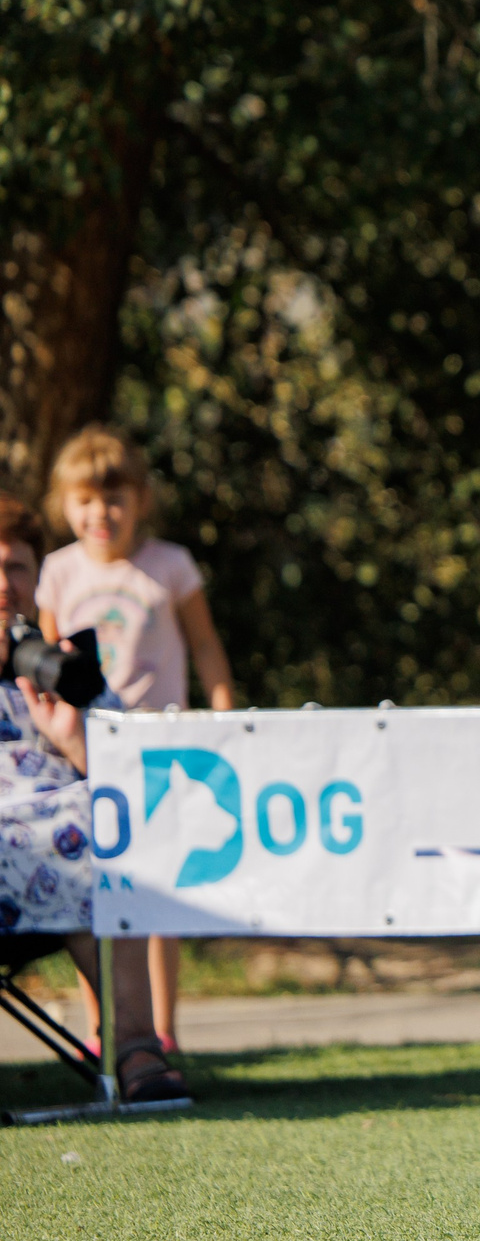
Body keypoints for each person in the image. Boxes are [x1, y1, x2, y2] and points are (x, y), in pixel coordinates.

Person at [36, 426, 236, 1058]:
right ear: (66, 505)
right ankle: (106, 1029)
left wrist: (225, 713)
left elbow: (205, 644)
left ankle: (160, 1030)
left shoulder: (170, 566)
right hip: (85, 751)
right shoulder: (57, 572)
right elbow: (40, 661)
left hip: (163, 752)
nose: (102, 513)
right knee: (100, 895)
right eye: (87, 500)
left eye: (115, 498)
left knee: (157, 896)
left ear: (141, 501)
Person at [0, 492, 185, 1101]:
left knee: (107, 825)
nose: (4, 585)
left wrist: (73, 738)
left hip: (76, 844)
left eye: (16, 567)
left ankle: (133, 1049)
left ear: (37, 577)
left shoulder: (67, 668)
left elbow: (135, 779)